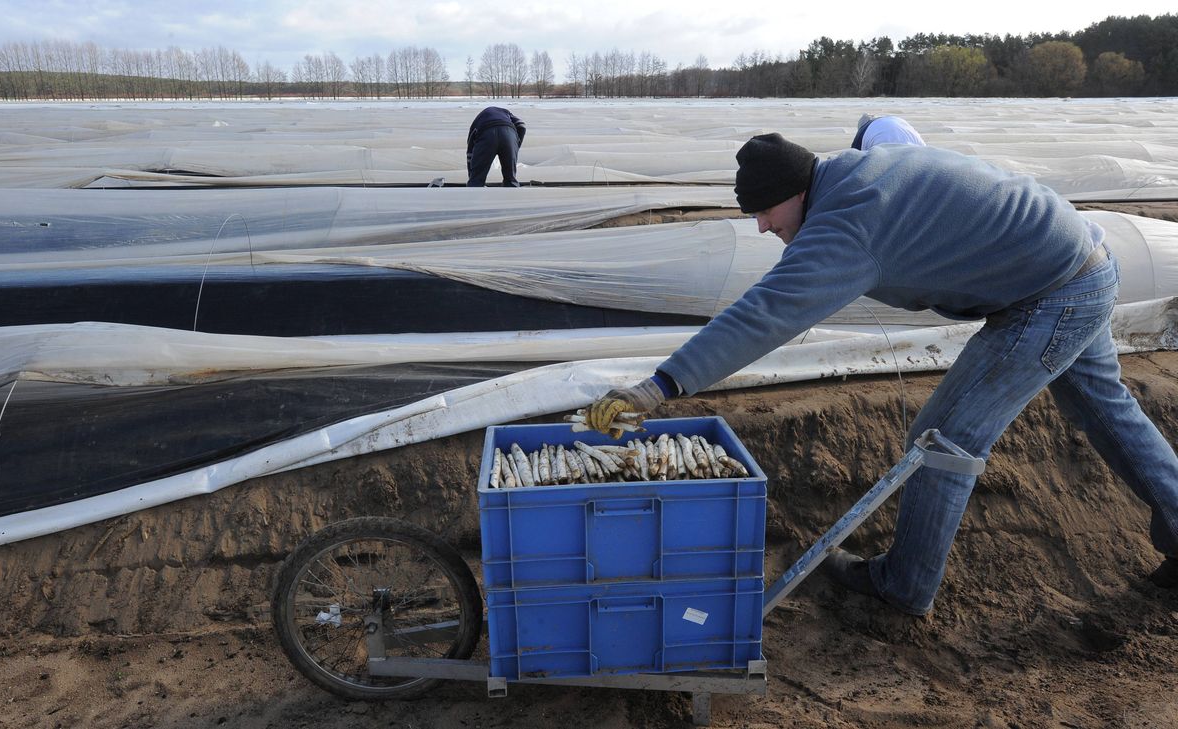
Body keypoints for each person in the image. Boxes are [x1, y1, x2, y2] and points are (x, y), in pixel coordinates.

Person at [584, 132, 1178, 614]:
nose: (762, 226)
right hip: (1079, 262)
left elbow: (766, 313)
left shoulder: (848, 225)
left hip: (1052, 294)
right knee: (1107, 412)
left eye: (765, 211)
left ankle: (902, 590)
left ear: (795, 191)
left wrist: (659, 385)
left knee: (941, 442)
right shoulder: (849, 172)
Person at [466, 106, 526, 187]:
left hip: (487, 135)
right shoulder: (507, 113)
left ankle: (474, 189)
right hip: (509, 135)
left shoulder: (478, 120)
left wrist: (472, 176)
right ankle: (512, 191)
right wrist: (516, 146)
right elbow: (522, 125)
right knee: (510, 178)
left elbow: (470, 153)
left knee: (476, 180)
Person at [851, 113, 925, 151]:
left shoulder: (863, 130)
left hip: (886, 152)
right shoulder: (894, 120)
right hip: (919, 149)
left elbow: (853, 158)